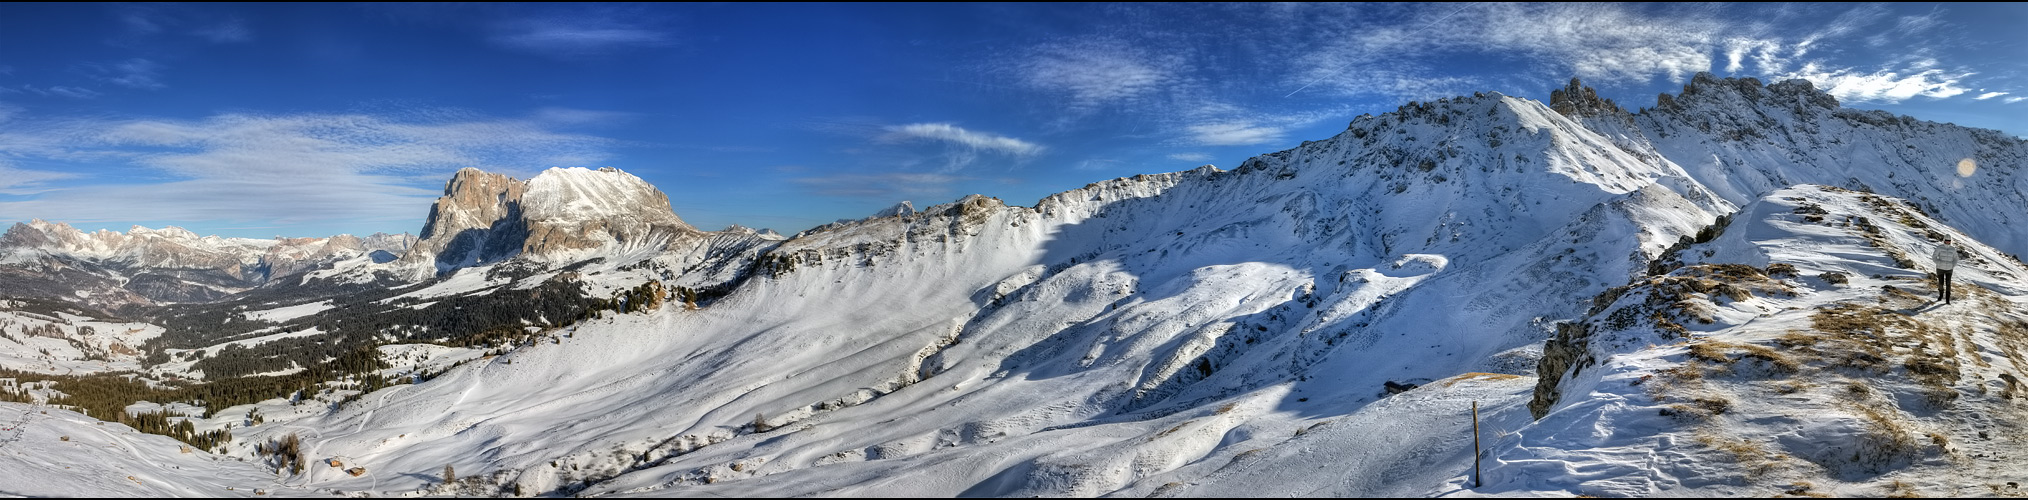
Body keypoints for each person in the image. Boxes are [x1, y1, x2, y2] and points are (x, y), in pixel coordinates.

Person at [1934, 239, 1965, 304]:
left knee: (1948, 284)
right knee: (1941, 283)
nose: (1948, 241)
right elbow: (1934, 257)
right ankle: (1941, 295)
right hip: (1940, 268)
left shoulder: (1953, 249)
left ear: (1951, 241)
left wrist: (1952, 265)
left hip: (1949, 269)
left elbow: (1956, 259)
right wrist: (1938, 263)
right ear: (1944, 240)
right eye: (1946, 240)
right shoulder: (1939, 248)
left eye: (1949, 240)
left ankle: (1947, 299)